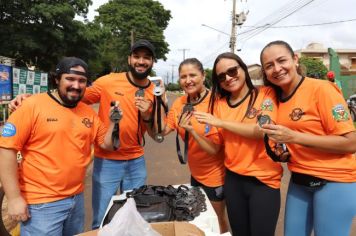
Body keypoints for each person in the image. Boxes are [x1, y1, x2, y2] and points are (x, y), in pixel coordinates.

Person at [8, 40, 159, 229]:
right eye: (137, 56)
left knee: (134, 213)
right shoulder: (107, 81)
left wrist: (145, 116)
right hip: (107, 162)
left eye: (147, 57)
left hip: (135, 161)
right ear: (129, 59)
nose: (141, 61)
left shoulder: (155, 91)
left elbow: (157, 133)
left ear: (153, 61)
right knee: (103, 217)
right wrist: (29, 99)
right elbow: (69, 95)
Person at [0, 57, 119, 236]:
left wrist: (113, 123)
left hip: (76, 201)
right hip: (41, 205)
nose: (76, 85)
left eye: (82, 81)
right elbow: (6, 150)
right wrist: (14, 198)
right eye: (70, 79)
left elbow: (107, 144)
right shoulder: (31, 106)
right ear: (56, 79)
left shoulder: (87, 112)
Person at [259, 40, 356, 236]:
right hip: (299, 181)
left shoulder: (321, 89)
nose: (277, 69)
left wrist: (293, 137)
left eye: (281, 61)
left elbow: (350, 142)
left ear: (295, 59)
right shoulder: (278, 97)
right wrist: (283, 152)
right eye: (269, 66)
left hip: (334, 181)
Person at [183, 52, 282, 236]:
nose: (228, 78)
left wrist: (220, 122)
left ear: (243, 68)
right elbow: (214, 148)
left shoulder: (265, 94)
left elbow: (263, 131)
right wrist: (192, 131)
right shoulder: (219, 104)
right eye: (221, 76)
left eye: (232, 70)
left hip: (263, 182)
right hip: (233, 180)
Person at [153, 58, 228, 233]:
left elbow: (215, 149)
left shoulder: (216, 102)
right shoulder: (180, 103)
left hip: (215, 177)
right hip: (196, 174)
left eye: (192, 75)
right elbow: (163, 131)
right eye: (183, 76)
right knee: (200, 216)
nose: (188, 80)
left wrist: (192, 131)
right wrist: (157, 105)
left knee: (217, 220)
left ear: (203, 76)